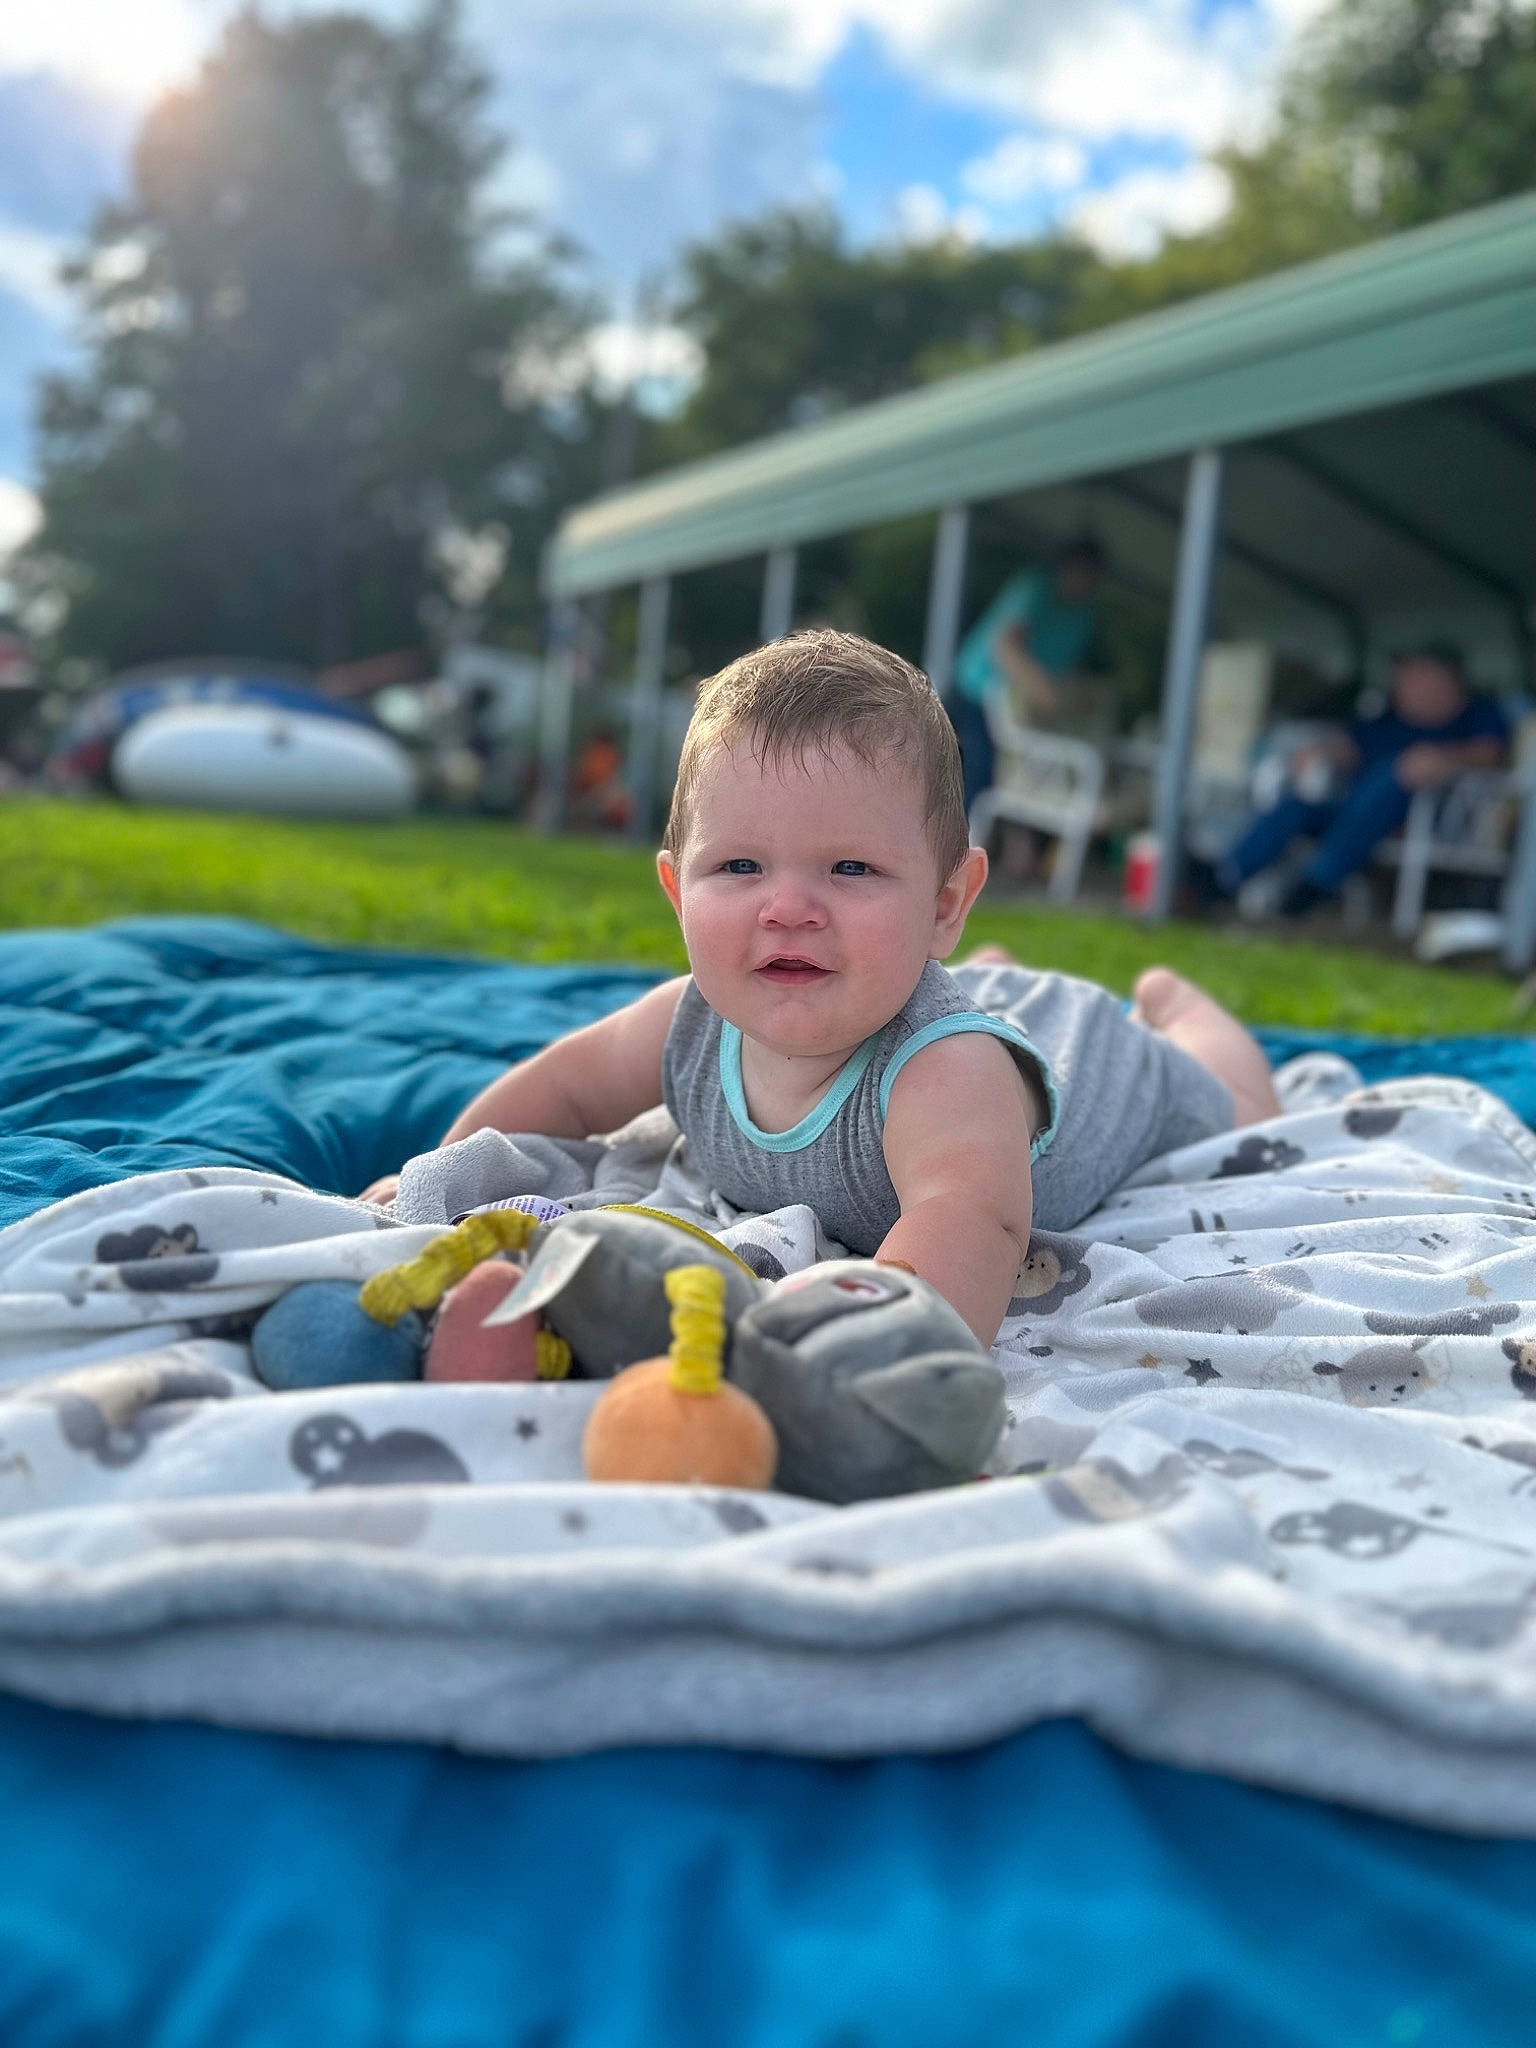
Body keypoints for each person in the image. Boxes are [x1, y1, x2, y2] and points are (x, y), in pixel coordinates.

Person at [365, 631, 1277, 1349]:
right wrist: (430, 1187)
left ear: (944, 900)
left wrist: (865, 1348)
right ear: (679, 891)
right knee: (975, 989)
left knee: (1235, 1101)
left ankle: (1179, 1005)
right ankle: (986, 967)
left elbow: (974, 1220)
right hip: (955, 982)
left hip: (1094, 1060)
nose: (789, 908)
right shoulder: (686, 1021)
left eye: (849, 867)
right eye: (740, 866)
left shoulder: (943, 1076)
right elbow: (560, 1088)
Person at [1214, 644, 1508, 917]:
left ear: (1446, 680)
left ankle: (1316, 884)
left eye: (1414, 676)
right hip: (1353, 811)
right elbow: (1347, 747)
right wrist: (1316, 753)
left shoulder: (1479, 715)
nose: (1402, 684)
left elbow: (1491, 755)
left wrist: (1441, 759)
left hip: (1428, 815)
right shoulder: (1388, 719)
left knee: (1393, 773)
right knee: (1296, 804)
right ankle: (1227, 876)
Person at [949, 537, 1106, 818]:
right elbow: (1005, 647)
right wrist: (1044, 690)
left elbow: (1065, 673)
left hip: (1024, 706)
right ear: (1066, 568)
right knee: (979, 773)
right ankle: (956, 851)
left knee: (1029, 781)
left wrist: (1069, 698)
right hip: (977, 690)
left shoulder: (1084, 614)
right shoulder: (1034, 588)